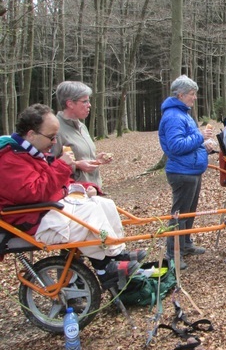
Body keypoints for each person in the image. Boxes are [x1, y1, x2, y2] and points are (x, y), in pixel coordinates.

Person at [0, 104, 143, 283]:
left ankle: (117, 255)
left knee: (103, 204)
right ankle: (105, 268)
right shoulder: (9, 160)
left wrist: (85, 187)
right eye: (51, 137)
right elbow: (34, 193)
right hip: (31, 221)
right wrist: (62, 166)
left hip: (46, 212)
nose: (54, 143)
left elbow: (56, 184)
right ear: (31, 134)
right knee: (89, 215)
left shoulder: (31, 153)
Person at [158, 75, 215, 270]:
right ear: (180, 95)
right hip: (181, 172)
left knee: (189, 212)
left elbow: (188, 142)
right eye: (192, 94)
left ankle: (186, 244)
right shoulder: (174, 116)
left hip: (192, 170)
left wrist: (203, 145)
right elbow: (176, 146)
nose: (194, 98)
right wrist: (200, 136)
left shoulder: (183, 113)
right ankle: (173, 253)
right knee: (179, 214)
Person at [51, 81, 113, 188]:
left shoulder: (82, 126)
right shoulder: (55, 129)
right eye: (85, 101)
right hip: (73, 195)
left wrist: (96, 159)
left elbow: (80, 156)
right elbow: (47, 165)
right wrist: (77, 165)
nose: (89, 105)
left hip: (92, 191)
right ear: (70, 104)